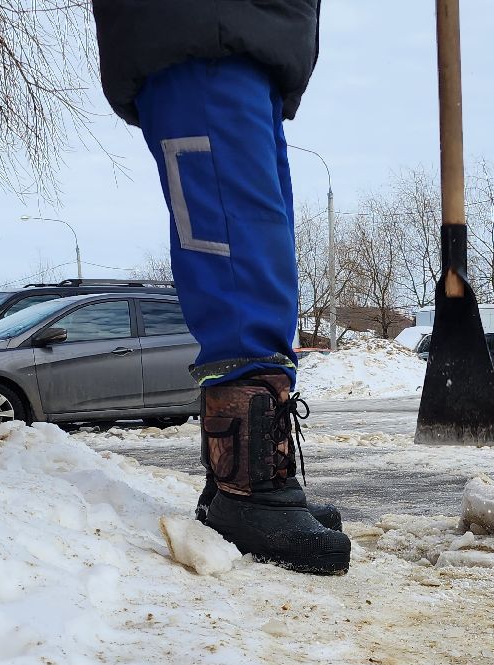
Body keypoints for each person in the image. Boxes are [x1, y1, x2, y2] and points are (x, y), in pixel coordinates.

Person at [90, 0, 350, 576]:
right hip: (205, 29)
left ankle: (239, 479)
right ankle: (245, 488)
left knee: (265, 246)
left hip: (246, 36)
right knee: (237, 252)